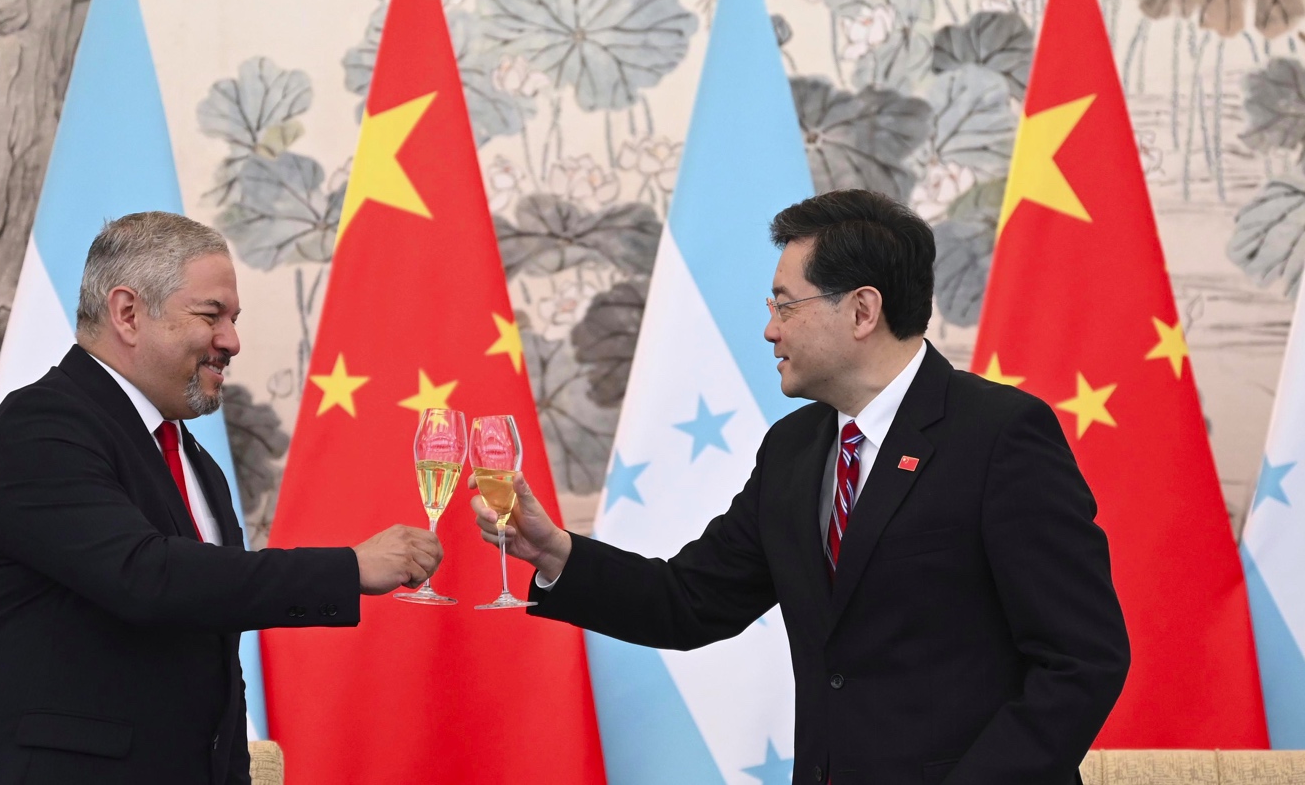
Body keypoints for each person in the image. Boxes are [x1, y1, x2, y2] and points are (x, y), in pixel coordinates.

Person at [474, 190, 1129, 784]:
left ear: (863, 310)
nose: (770, 329)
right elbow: (690, 601)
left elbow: (1081, 660)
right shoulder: (793, 448)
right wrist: (554, 551)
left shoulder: (1000, 435)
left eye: (785, 305)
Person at [0, 211, 442, 785]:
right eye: (211, 315)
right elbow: (147, 577)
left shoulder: (192, 459)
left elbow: (211, 648)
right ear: (128, 313)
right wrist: (347, 568)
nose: (231, 341)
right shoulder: (40, 427)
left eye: (233, 319)